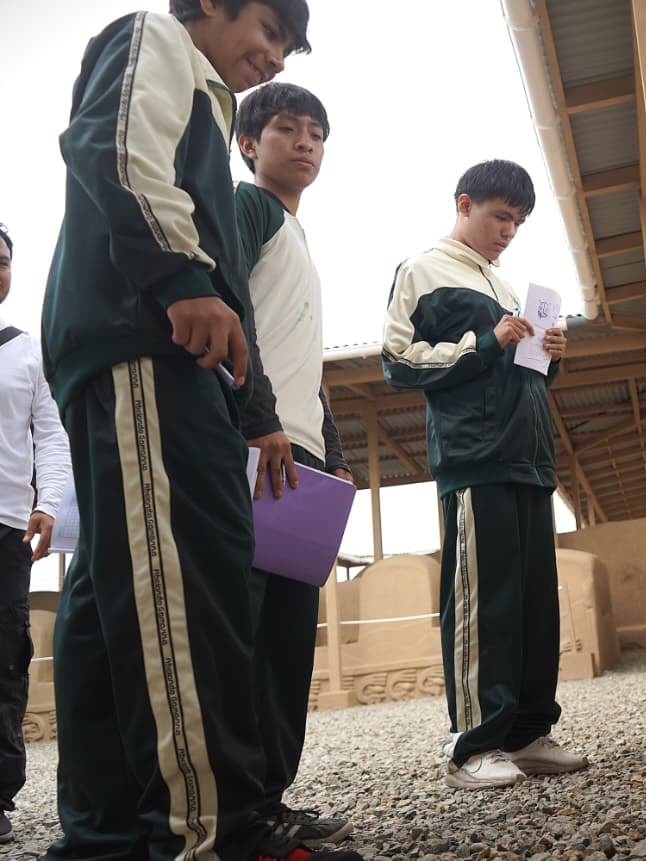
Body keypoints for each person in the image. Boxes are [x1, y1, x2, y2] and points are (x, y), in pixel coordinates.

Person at [40, 3, 361, 859]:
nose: (275, 52)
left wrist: (253, 410)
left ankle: (107, 835)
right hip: (147, 339)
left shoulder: (208, 108)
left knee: (124, 597)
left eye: (289, 46)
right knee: (180, 585)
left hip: (159, 353)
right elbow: (109, 148)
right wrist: (180, 275)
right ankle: (212, 832)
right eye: (268, 26)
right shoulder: (156, 39)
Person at [381, 159, 588, 790]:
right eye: (501, 216)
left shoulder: (501, 281)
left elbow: (514, 371)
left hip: (529, 460)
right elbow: (398, 361)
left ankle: (525, 734)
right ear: (464, 203)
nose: (509, 231)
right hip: (474, 460)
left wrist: (544, 358)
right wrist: (486, 341)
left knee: (531, 607)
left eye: (519, 222)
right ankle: (474, 746)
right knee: (483, 603)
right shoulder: (422, 270)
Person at [234, 81, 354, 847]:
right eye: (286, 128)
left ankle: (270, 798)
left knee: (284, 635)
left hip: (300, 453)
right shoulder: (246, 208)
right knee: (242, 632)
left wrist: (333, 454)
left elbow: (299, 354)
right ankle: (234, 809)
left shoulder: (299, 236)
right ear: (249, 144)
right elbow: (228, 309)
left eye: (316, 131)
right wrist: (259, 417)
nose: (305, 142)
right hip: (255, 444)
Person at [0, 224, 71, 845]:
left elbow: (49, 434)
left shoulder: (27, 351)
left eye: (1, 262)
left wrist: (47, 502)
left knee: (5, 657)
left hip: (5, 529)